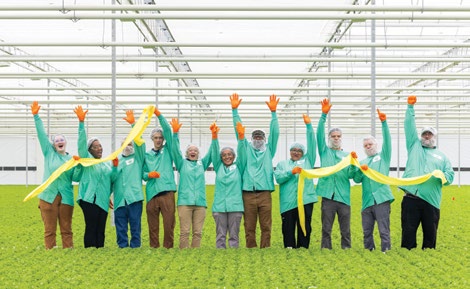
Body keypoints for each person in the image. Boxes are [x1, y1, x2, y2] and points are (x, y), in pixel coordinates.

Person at [399, 95, 454, 250]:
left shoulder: (442, 156)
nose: (427, 136)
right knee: (408, 232)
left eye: (429, 134)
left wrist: (441, 176)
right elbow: (409, 128)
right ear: (421, 136)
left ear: (434, 137)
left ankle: (428, 257)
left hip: (431, 201)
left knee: (430, 234)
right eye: (424, 134)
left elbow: (449, 176)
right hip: (411, 198)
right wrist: (410, 108)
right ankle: (407, 258)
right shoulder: (414, 147)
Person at [230, 93, 280, 249]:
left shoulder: (269, 150)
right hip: (248, 193)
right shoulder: (246, 149)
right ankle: (251, 248)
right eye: (255, 137)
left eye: (260, 138)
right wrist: (234, 111)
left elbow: (275, 133)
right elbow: (239, 132)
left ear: (264, 139)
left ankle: (265, 248)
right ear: (251, 139)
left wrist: (273, 114)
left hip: (265, 193)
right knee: (249, 225)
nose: (258, 140)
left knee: (266, 225)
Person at [30, 101, 76, 249]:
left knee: (66, 228)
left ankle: (68, 250)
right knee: (49, 229)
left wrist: (78, 163)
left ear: (66, 143)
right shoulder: (49, 153)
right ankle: (50, 250)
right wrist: (36, 116)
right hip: (48, 196)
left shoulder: (70, 159)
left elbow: (75, 177)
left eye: (62, 140)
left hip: (66, 196)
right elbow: (42, 135)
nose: (59, 142)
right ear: (53, 144)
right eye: (56, 141)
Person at [73, 105, 118, 248]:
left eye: (100, 146)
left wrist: (116, 167)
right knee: (91, 227)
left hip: (103, 201)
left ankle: (99, 251)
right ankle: (90, 251)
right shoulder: (87, 161)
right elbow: (81, 144)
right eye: (96, 147)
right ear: (89, 150)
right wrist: (81, 123)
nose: (100, 149)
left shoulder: (106, 165)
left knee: (101, 229)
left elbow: (112, 181)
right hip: (89, 200)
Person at [353, 109, 394, 252]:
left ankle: (385, 250)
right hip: (367, 201)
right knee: (366, 230)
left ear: (375, 145)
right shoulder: (363, 161)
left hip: (381, 198)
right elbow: (357, 179)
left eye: (370, 144)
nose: (368, 146)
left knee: (384, 228)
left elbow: (388, 141)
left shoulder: (383, 157)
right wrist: (357, 167)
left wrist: (384, 123)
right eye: (366, 145)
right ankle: (369, 250)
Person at [170, 118, 215, 249]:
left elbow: (212, 154)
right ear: (187, 153)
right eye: (190, 150)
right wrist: (175, 134)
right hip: (185, 203)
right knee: (184, 232)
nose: (193, 151)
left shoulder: (202, 164)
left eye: (195, 150)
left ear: (198, 153)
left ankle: (194, 254)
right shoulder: (181, 163)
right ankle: (184, 254)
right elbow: (174, 150)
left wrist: (214, 138)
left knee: (198, 232)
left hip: (200, 203)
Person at [274, 114, 318, 249]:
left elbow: (312, 144)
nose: (296, 152)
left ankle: (303, 248)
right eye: (293, 150)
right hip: (288, 201)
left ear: (303, 153)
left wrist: (309, 127)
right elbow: (279, 178)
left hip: (305, 200)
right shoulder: (282, 164)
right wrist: (290, 172)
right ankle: (289, 247)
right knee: (288, 225)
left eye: (299, 151)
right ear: (290, 151)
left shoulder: (308, 161)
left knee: (304, 225)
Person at [316, 98, 355, 249]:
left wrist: (353, 164)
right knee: (326, 227)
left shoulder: (347, 155)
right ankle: (326, 248)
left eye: (338, 136)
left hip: (343, 196)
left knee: (345, 228)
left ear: (341, 138)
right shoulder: (324, 151)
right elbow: (319, 135)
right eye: (333, 136)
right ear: (329, 138)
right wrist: (323, 116)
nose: (336, 138)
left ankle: (346, 248)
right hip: (328, 196)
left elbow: (352, 175)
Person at [142, 108, 176, 249]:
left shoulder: (168, 150)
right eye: (155, 137)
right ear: (152, 139)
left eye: (160, 138)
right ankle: (154, 248)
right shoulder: (146, 155)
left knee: (169, 224)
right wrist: (148, 175)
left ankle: (168, 248)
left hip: (167, 192)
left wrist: (160, 115)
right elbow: (142, 174)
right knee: (153, 225)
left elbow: (168, 131)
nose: (158, 140)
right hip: (152, 193)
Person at [112, 110, 146, 248]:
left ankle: (136, 246)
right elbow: (112, 179)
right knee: (120, 225)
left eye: (130, 144)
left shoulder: (137, 158)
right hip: (120, 199)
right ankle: (122, 246)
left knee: (135, 224)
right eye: (125, 144)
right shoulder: (116, 160)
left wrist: (133, 125)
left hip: (134, 198)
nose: (127, 147)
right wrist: (114, 168)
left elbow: (140, 144)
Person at [211, 122, 246, 249]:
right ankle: (220, 253)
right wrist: (214, 137)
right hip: (219, 207)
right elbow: (214, 152)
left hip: (235, 206)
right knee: (220, 234)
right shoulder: (218, 167)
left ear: (233, 156)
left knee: (234, 234)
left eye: (229, 154)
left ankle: (233, 253)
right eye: (224, 155)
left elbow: (242, 153)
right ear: (221, 158)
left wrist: (241, 138)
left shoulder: (239, 167)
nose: (227, 157)